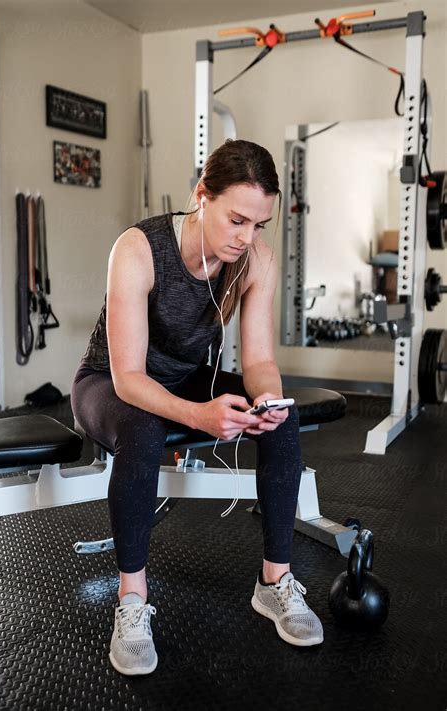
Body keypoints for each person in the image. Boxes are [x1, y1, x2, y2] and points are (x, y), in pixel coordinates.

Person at [71, 139, 323, 677]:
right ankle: (131, 600)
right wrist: (200, 415)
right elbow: (129, 377)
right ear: (201, 196)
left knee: (284, 418)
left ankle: (274, 582)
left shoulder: (256, 259)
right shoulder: (138, 249)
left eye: (259, 225)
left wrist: (266, 399)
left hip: (187, 381)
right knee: (142, 428)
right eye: (236, 219)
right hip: (110, 384)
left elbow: (257, 360)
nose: (246, 237)